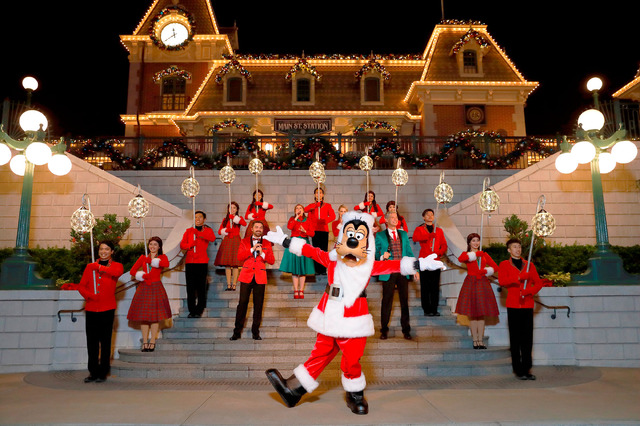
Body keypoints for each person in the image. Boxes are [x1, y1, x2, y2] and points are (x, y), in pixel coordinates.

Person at [263, 211, 445, 415]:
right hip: (329, 312)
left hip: (353, 316)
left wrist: (421, 264)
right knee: (320, 352)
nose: (352, 239)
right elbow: (309, 250)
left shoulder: (368, 266)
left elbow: (393, 265)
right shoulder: (332, 259)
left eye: (359, 236)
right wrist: (285, 241)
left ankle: (355, 395)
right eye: (350, 233)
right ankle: (293, 389)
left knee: (351, 359)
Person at [62, 241, 123, 383]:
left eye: (107, 249)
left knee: (106, 342)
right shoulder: (90, 267)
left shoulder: (116, 266)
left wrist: (100, 267)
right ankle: (93, 372)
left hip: (107, 309)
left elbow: (117, 273)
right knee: (92, 342)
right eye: (101, 249)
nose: (104, 251)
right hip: (91, 309)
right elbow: (81, 286)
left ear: (112, 251)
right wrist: (89, 295)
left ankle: (103, 372)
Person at [498, 238, 552, 380]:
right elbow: (502, 281)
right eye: (514, 247)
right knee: (515, 338)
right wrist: (518, 277)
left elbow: (538, 283)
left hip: (527, 305)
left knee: (527, 339)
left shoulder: (529, 265)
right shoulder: (504, 264)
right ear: (509, 250)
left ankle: (527, 369)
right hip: (513, 305)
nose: (518, 249)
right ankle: (518, 370)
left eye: (519, 247)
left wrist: (529, 292)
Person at [230, 221, 275, 341]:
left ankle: (255, 332)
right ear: (252, 229)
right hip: (246, 276)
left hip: (260, 277)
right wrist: (251, 250)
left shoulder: (267, 243)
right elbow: (239, 257)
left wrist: (263, 254)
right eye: (256, 227)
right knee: (242, 303)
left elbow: (271, 260)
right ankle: (237, 332)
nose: (258, 229)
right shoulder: (244, 241)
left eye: (261, 227)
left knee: (258, 305)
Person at [375, 211, 416, 340]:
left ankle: (406, 329)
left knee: (404, 301)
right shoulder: (380, 235)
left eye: (396, 217)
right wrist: (382, 256)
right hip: (388, 271)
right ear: (386, 220)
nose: (394, 219)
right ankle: (384, 329)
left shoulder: (403, 234)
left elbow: (409, 252)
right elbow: (375, 254)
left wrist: (415, 268)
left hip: (402, 270)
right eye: (392, 217)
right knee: (387, 301)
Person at [455, 233, 499, 349]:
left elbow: (496, 267)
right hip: (471, 283)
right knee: (473, 315)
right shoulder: (468, 254)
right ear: (469, 243)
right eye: (473, 240)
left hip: (482, 283)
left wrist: (485, 271)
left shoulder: (484, 255)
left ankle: (480, 340)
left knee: (481, 315)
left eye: (478, 240)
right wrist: (474, 254)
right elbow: (461, 258)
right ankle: (475, 341)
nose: (476, 243)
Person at [128, 236, 172, 352]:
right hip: (144, 288)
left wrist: (153, 262)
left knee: (154, 317)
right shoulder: (143, 258)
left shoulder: (162, 257)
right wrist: (141, 275)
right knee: (144, 317)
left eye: (155, 244)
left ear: (159, 247)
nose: (152, 246)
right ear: (148, 246)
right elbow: (132, 271)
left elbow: (166, 264)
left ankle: (152, 340)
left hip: (156, 287)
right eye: (151, 244)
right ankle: (145, 341)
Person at [180, 210, 215, 318]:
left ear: (204, 219)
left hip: (202, 262)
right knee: (190, 288)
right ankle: (192, 310)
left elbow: (212, 238)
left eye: (200, 217)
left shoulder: (207, 230)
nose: (197, 219)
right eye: (195, 217)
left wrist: (199, 234)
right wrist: (191, 244)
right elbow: (182, 245)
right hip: (190, 262)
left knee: (201, 287)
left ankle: (199, 310)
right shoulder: (189, 231)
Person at [412, 208, 447, 316]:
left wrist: (439, 253)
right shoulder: (419, 229)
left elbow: (444, 244)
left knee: (435, 286)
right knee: (425, 286)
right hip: (425, 261)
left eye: (432, 214)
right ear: (423, 217)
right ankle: (426, 309)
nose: (430, 216)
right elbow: (415, 238)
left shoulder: (439, 230)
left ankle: (434, 309)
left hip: (435, 261)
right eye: (427, 214)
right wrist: (428, 236)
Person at [280, 204, 316, 299]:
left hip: (304, 243)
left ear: (304, 210)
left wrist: (305, 231)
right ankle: (296, 290)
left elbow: (312, 233)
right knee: (295, 268)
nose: (299, 209)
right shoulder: (293, 219)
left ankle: (301, 290)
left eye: (300, 208)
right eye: (297, 208)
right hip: (294, 243)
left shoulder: (308, 220)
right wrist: (295, 217)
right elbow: (289, 227)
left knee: (303, 269)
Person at [214, 202, 246, 291]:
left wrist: (235, 219)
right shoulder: (225, 220)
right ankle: (228, 284)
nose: (232, 209)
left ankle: (234, 284)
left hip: (236, 241)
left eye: (234, 208)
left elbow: (244, 223)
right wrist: (227, 230)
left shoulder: (239, 218)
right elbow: (220, 231)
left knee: (236, 264)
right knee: (227, 264)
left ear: (237, 209)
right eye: (230, 207)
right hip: (227, 240)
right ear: (228, 209)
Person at [304, 187, 335, 275]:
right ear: (314, 195)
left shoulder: (327, 205)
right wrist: (315, 206)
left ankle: (323, 269)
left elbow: (332, 216)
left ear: (323, 195)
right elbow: (305, 210)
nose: (318, 194)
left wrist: (325, 220)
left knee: (323, 250)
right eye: (317, 193)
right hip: (315, 230)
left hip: (324, 230)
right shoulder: (312, 206)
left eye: (320, 193)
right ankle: (317, 270)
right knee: (316, 250)